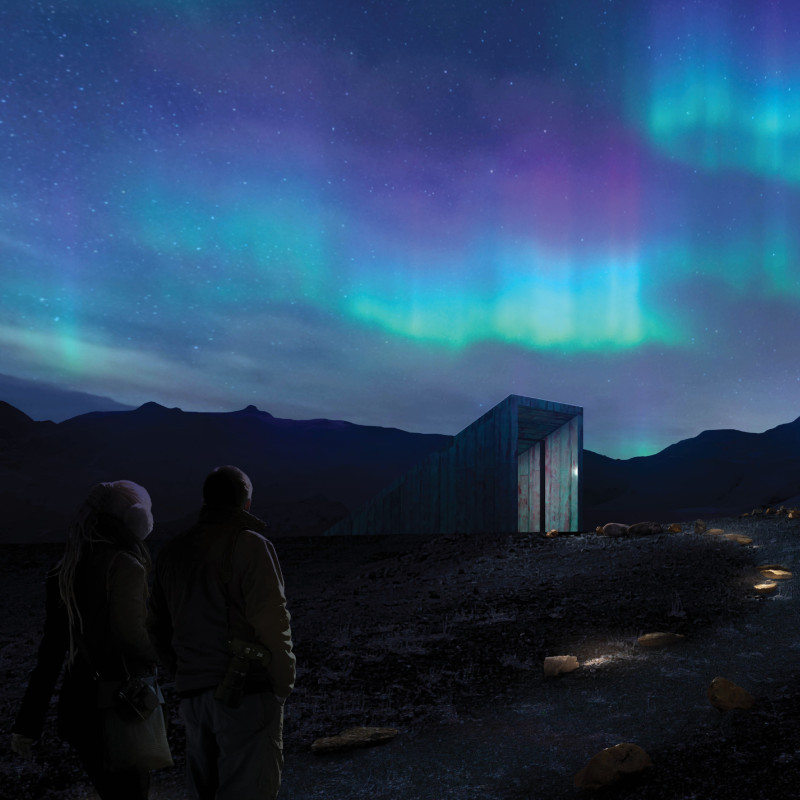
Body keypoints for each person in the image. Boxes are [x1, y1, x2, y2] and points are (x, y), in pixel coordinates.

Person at [150, 465, 295, 800]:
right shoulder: (250, 545)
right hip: (245, 693)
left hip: (194, 696)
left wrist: (184, 674)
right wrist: (282, 682)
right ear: (245, 502)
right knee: (250, 787)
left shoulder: (173, 551)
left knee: (205, 789)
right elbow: (273, 620)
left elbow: (156, 625)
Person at [11, 480, 161, 800]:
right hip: (120, 707)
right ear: (135, 518)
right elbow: (133, 639)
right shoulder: (125, 565)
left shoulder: (63, 571)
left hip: (79, 708)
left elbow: (50, 654)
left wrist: (27, 724)